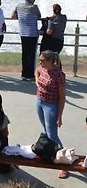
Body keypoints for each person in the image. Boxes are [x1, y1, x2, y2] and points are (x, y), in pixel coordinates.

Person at [35, 50, 67, 179]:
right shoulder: (42, 68)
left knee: (52, 134)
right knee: (46, 131)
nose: (40, 62)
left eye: (42, 60)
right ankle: (49, 153)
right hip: (39, 101)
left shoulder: (58, 75)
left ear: (50, 61)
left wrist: (59, 116)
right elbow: (36, 71)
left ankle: (63, 164)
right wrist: (37, 83)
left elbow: (62, 97)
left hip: (51, 105)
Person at [11, 0, 41, 81]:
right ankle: (30, 75)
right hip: (32, 34)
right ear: (31, 0)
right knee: (31, 56)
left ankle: (24, 74)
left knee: (24, 55)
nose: (34, 1)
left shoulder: (18, 6)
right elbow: (39, 16)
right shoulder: (34, 7)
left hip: (23, 33)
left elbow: (13, 17)